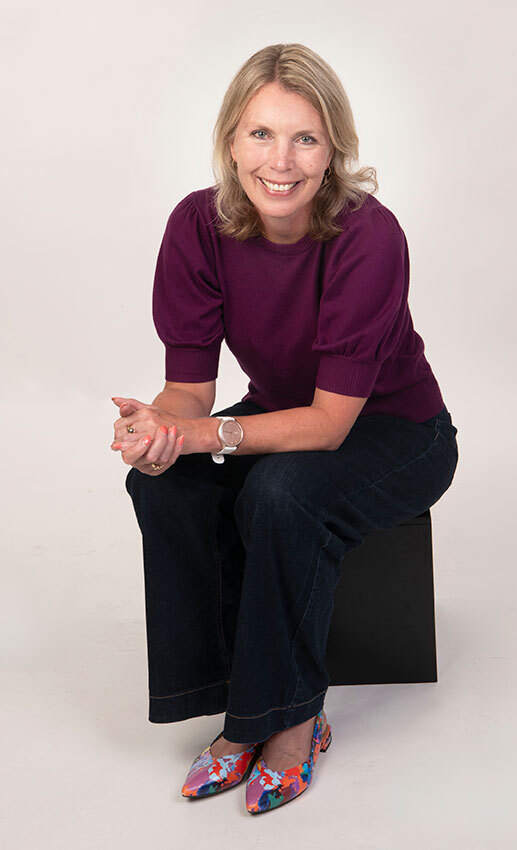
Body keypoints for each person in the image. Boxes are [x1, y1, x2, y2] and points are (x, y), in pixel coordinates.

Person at [110, 42, 459, 815]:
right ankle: (236, 706)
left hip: (399, 432)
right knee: (163, 485)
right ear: (230, 141)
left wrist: (207, 436)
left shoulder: (368, 235)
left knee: (282, 493)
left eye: (305, 137)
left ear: (333, 149)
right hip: (282, 416)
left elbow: (331, 424)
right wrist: (160, 431)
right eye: (261, 134)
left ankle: (291, 718)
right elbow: (190, 391)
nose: (281, 160)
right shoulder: (197, 224)